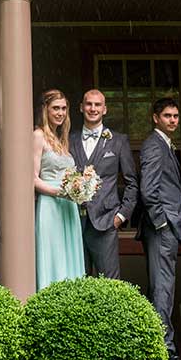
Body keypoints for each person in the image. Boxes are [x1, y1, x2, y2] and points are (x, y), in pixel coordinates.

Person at [135, 97, 181, 360]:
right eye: (167, 115)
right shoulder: (154, 145)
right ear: (155, 118)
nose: (173, 120)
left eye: (176, 116)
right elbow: (148, 190)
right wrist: (162, 223)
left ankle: (158, 342)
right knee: (162, 287)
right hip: (161, 227)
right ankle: (163, 348)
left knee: (161, 286)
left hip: (166, 226)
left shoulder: (166, 145)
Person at [68, 89, 137, 279]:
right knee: (76, 280)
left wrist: (121, 216)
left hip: (106, 221)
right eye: (89, 104)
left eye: (97, 105)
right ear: (81, 107)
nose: (93, 108)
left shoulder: (119, 141)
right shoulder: (68, 139)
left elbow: (131, 183)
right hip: (73, 220)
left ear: (105, 109)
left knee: (109, 282)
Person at [33, 89, 86, 290]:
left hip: (68, 207)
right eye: (55, 108)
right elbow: (32, 179)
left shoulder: (61, 140)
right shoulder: (38, 136)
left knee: (69, 256)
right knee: (55, 256)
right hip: (50, 206)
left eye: (64, 108)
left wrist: (79, 188)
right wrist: (60, 192)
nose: (60, 113)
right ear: (45, 109)